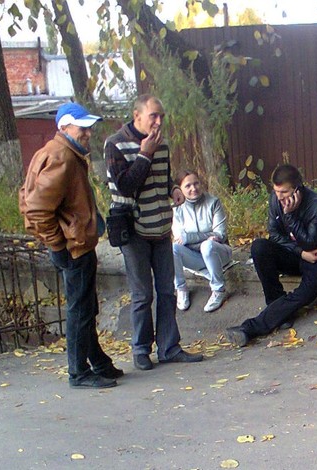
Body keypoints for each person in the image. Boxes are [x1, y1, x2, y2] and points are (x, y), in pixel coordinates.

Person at [19, 102, 122, 388]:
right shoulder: (62, 156)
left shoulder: (58, 152)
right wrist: (57, 245)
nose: (88, 132)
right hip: (73, 246)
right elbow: (37, 209)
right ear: (64, 127)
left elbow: (26, 197)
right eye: (82, 127)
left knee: (86, 306)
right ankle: (79, 372)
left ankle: (98, 362)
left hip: (74, 243)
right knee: (80, 309)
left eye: (89, 127)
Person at [105, 94, 203, 370]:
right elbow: (124, 186)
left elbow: (163, 179)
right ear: (137, 116)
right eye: (153, 116)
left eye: (161, 116)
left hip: (160, 227)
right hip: (133, 231)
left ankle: (169, 347)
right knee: (142, 294)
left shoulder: (163, 144)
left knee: (168, 291)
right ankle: (140, 349)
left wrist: (173, 190)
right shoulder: (115, 144)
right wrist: (145, 154)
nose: (159, 122)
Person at [226, 164, 317, 347]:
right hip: (298, 254)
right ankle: (279, 311)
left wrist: (290, 217)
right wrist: (300, 253)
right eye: (276, 191)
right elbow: (275, 234)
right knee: (259, 247)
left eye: (284, 192)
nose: (279, 197)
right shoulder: (275, 200)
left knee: (302, 296)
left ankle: (249, 329)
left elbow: (310, 241)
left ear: (297, 188)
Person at [171, 170, 233, 313]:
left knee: (208, 246)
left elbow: (220, 235)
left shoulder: (213, 202)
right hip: (195, 258)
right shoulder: (177, 209)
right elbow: (180, 240)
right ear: (180, 189)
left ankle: (218, 289)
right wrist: (205, 236)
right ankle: (181, 289)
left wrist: (190, 238)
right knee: (173, 248)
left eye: (196, 183)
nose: (194, 188)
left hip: (219, 253)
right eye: (188, 186)